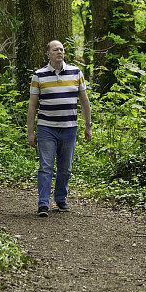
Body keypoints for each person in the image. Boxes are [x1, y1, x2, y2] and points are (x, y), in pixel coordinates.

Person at [27, 40, 92, 217]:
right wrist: (30, 132)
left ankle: (61, 199)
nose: (60, 52)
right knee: (45, 166)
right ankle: (43, 204)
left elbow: (84, 100)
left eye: (62, 49)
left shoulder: (76, 72)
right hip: (46, 127)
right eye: (56, 50)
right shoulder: (39, 75)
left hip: (69, 127)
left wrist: (88, 126)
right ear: (48, 53)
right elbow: (32, 105)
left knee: (65, 167)